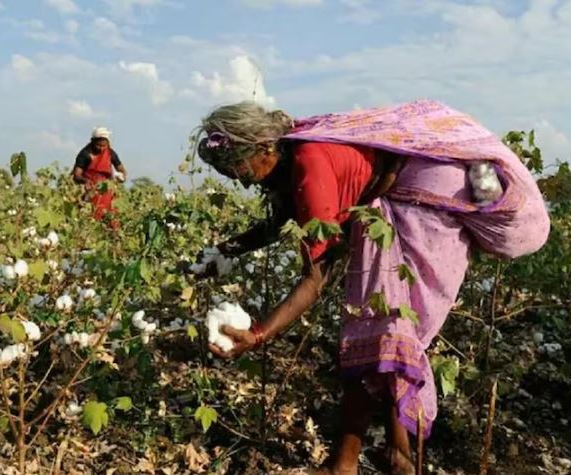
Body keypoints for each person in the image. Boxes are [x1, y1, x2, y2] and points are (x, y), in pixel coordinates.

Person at [194, 100, 550, 474]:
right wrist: (222, 251)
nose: (235, 177)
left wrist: (259, 333)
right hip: (415, 187)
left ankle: (350, 465)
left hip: (427, 198)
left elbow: (315, 277)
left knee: (380, 330)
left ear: (265, 146)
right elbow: (280, 221)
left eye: (235, 165)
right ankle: (394, 455)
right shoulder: (291, 157)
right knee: (389, 331)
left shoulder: (308, 162)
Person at [72, 126, 127, 221]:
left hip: (107, 191)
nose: (101, 149)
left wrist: (121, 177)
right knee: (90, 217)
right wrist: (85, 181)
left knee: (111, 219)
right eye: (98, 145)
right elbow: (76, 175)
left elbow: (122, 170)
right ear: (93, 142)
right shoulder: (85, 154)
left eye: (104, 146)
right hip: (90, 190)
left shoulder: (110, 153)